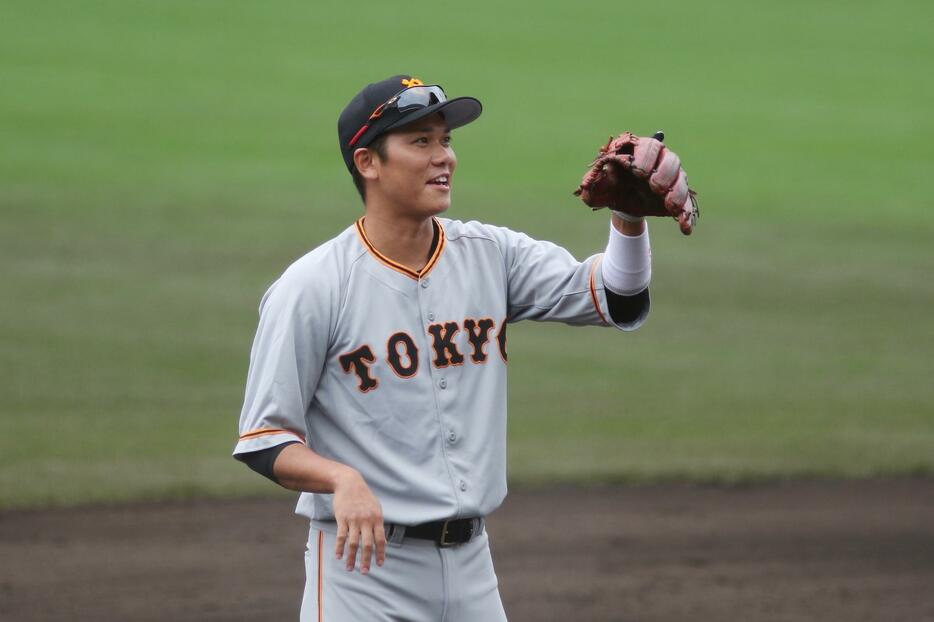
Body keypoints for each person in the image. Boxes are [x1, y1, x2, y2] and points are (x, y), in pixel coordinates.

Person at [233, 75, 677, 621]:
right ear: (368, 162)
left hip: (473, 571)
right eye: (420, 142)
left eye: (445, 140)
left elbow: (617, 299)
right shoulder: (312, 287)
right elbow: (264, 438)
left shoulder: (492, 254)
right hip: (363, 573)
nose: (444, 157)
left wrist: (628, 221)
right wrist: (339, 478)